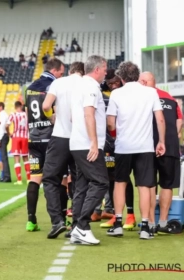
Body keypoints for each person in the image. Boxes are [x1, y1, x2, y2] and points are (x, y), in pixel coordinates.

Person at [106, 62, 165, 240]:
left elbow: (110, 123)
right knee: (145, 186)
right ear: (137, 76)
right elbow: (160, 119)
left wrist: (115, 134)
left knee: (120, 183)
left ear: (122, 78)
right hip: (145, 147)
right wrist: (161, 141)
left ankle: (117, 223)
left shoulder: (116, 93)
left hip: (123, 146)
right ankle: (146, 226)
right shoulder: (150, 92)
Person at [68, 55, 110, 245]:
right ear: (97, 69)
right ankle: (82, 226)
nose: (107, 72)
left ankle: (77, 225)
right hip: (87, 144)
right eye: (105, 68)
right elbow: (89, 114)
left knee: (83, 185)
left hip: (78, 142)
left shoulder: (77, 85)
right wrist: (94, 142)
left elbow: (72, 116)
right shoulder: (91, 86)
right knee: (101, 182)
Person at [41, 61, 83, 238]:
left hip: (60, 137)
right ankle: (77, 224)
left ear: (70, 71)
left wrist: (53, 118)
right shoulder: (87, 83)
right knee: (80, 181)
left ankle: (57, 220)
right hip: (80, 138)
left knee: (50, 179)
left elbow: (45, 106)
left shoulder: (59, 82)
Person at [24, 58, 66, 232]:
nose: (62, 76)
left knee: (35, 178)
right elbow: (54, 109)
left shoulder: (29, 87)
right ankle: (61, 218)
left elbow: (28, 113)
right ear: (54, 71)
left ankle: (31, 220)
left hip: (33, 139)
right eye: (61, 73)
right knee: (60, 178)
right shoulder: (53, 86)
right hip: (51, 137)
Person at [139, 71, 182, 234]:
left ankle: (150, 223)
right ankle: (163, 222)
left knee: (148, 183)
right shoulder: (170, 97)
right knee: (167, 184)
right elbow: (180, 120)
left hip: (148, 144)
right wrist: (172, 136)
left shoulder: (143, 96)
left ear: (144, 82)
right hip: (170, 145)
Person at [98, 69, 136, 230]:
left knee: (124, 179)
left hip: (126, 142)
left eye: (115, 82)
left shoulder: (127, 95)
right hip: (110, 144)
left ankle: (131, 215)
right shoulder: (107, 96)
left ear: (121, 80)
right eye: (110, 83)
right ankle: (115, 214)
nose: (113, 85)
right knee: (112, 179)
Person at [6, 101, 29, 185]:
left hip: (16, 137)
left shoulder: (13, 114)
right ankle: (28, 179)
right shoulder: (26, 114)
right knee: (26, 158)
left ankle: (19, 180)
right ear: (21, 106)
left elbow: (6, 125)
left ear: (15, 107)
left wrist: (9, 133)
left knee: (16, 158)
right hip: (25, 137)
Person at [0, 102, 11, 182]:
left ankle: (6, 177)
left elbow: (1, 128)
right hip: (4, 135)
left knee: (3, 157)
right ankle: (5, 176)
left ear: (1, 107)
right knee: (3, 157)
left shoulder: (2, 115)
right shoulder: (4, 114)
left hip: (2, 136)